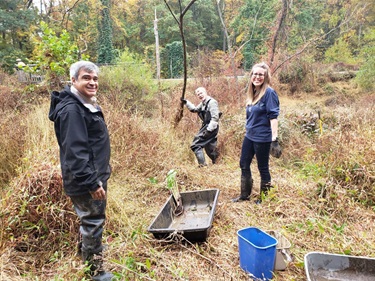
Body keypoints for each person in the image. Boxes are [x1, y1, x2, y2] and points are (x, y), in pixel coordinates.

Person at [48, 61, 113, 281]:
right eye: (86, 78)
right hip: (87, 180)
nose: (92, 82)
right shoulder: (72, 109)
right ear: (73, 80)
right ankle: (95, 273)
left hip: (92, 175)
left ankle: (85, 255)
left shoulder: (83, 103)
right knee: (93, 221)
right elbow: (75, 152)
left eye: (95, 78)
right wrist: (92, 183)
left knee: (90, 219)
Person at [232, 62, 282, 204]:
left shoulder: (269, 93)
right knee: (243, 163)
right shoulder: (252, 93)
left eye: (261, 74)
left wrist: (274, 139)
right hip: (250, 136)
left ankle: (264, 198)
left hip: (263, 138)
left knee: (263, 167)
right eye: (255, 74)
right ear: (251, 76)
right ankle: (244, 195)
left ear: (266, 77)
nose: (257, 77)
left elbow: (273, 117)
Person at [181, 87, 220, 166]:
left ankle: (202, 166)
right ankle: (219, 162)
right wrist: (186, 102)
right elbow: (195, 109)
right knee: (209, 148)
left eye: (201, 93)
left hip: (211, 127)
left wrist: (208, 131)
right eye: (198, 94)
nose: (200, 95)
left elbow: (215, 119)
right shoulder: (203, 103)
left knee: (195, 145)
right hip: (206, 126)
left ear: (205, 92)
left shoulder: (212, 102)